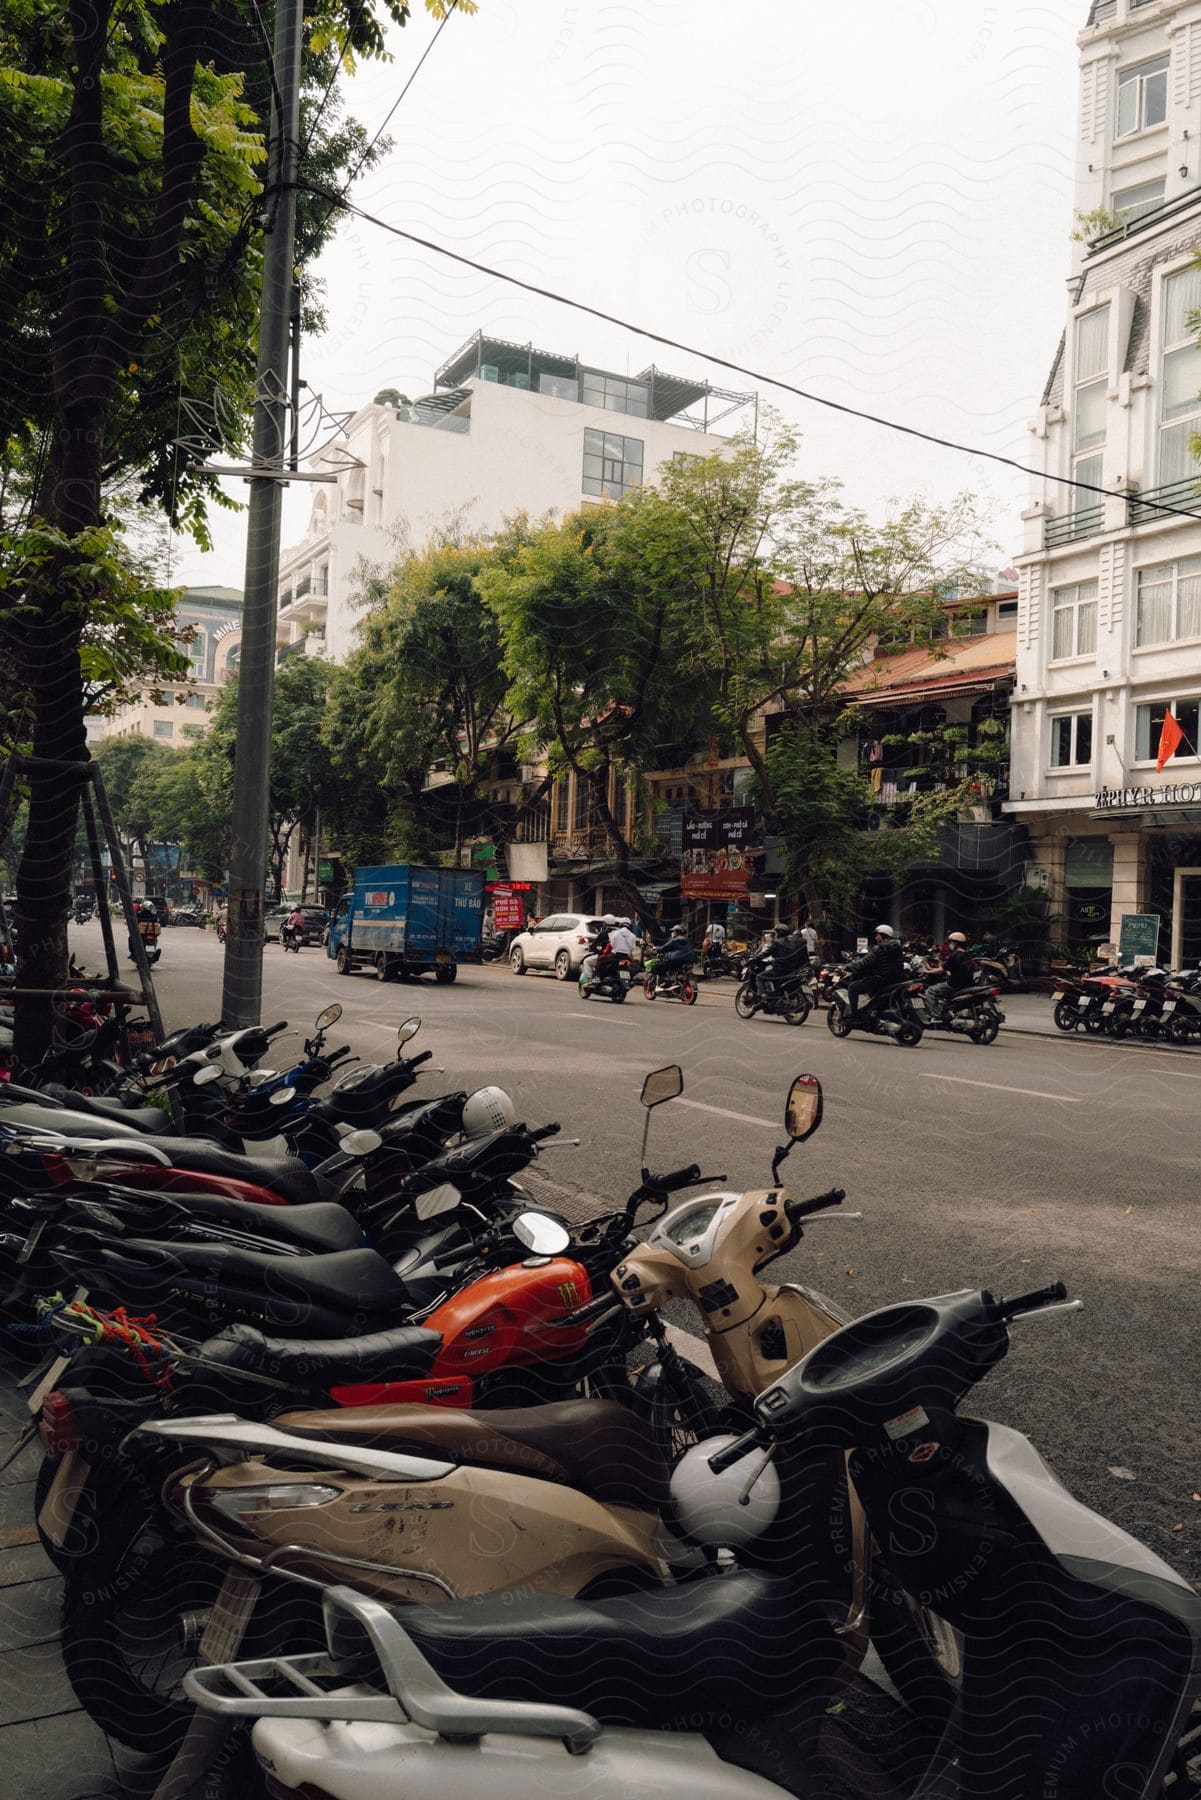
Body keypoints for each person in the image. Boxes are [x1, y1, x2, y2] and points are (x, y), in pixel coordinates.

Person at [846, 924, 905, 1023]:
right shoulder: (898, 949)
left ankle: (854, 1016)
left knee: (852, 987)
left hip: (879, 980)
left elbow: (864, 962)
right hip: (894, 981)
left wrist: (849, 966)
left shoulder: (878, 949)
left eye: (877, 935)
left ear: (883, 936)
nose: (876, 937)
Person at [925, 931, 975, 1020]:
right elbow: (956, 969)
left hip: (954, 985)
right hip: (966, 984)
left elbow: (942, 969)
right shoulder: (967, 955)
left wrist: (927, 972)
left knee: (930, 991)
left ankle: (936, 1015)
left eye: (951, 942)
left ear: (956, 943)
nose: (950, 945)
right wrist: (933, 970)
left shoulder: (955, 955)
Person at [579, 914, 617, 988]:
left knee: (587, 961)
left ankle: (590, 981)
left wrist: (591, 947)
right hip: (618, 956)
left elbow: (597, 943)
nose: (603, 924)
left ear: (605, 923)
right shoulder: (617, 932)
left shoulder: (604, 933)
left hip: (607, 956)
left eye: (604, 922)